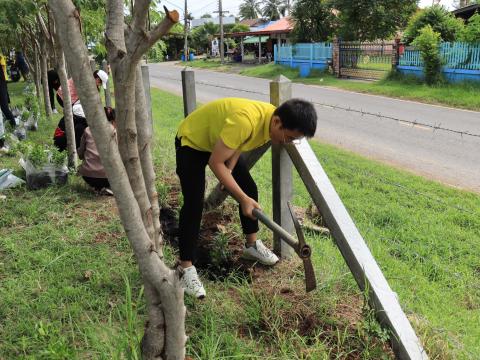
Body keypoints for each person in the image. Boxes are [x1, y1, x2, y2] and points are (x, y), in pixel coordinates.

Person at [175, 97, 317, 298]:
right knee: (193, 203)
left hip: (218, 142)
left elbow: (240, 141)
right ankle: (185, 269)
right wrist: (242, 199)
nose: (288, 143)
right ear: (277, 122)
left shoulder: (270, 122)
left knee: (249, 188)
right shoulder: (247, 120)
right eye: (288, 137)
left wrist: (231, 168)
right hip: (192, 142)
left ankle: (251, 246)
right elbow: (216, 162)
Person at [78, 106, 116, 195]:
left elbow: (80, 154)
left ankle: (97, 188)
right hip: (108, 176)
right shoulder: (113, 130)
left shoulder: (87, 130)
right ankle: (106, 188)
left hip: (88, 175)